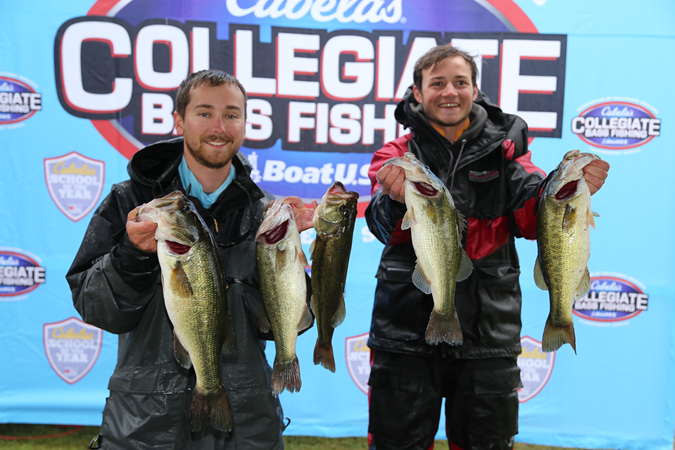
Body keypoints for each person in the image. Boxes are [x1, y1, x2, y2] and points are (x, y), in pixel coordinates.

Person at [364, 46, 609, 450]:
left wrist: (562, 194)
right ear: (416, 92)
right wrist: (392, 199)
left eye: (460, 82)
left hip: (488, 341)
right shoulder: (396, 156)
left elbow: (533, 212)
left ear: (475, 90)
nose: (449, 92)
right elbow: (378, 223)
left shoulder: (508, 155)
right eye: (437, 83)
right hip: (403, 336)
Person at [66, 70, 314, 450]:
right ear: (179, 120)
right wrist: (132, 256)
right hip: (144, 425)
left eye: (232, 114)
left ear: (246, 123)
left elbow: (281, 325)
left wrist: (289, 259)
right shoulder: (130, 202)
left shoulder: (268, 214)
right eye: (204, 113)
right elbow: (96, 307)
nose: (219, 126)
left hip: (247, 423)